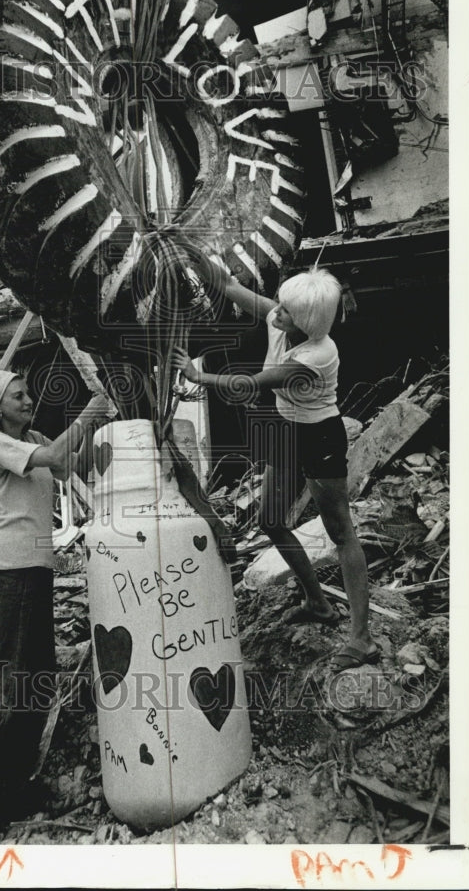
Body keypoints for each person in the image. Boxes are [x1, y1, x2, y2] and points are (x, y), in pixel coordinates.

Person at [174, 267, 378, 673]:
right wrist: (204, 265)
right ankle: (317, 603)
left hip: (319, 437)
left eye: (286, 310)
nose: (276, 312)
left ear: (305, 321)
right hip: (287, 429)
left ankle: (362, 637)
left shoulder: (316, 356)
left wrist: (198, 375)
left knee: (340, 530)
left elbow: (251, 384)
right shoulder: (283, 321)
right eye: (280, 304)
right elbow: (233, 290)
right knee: (270, 520)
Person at [0, 367, 110, 839]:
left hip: (34, 574)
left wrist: (106, 430)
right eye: (18, 396)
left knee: (36, 684)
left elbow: (70, 465)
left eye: (28, 393)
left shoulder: (34, 438)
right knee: (5, 688)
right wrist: (93, 407)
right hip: (6, 575)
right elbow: (58, 453)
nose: (28, 400)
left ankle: (13, 787)